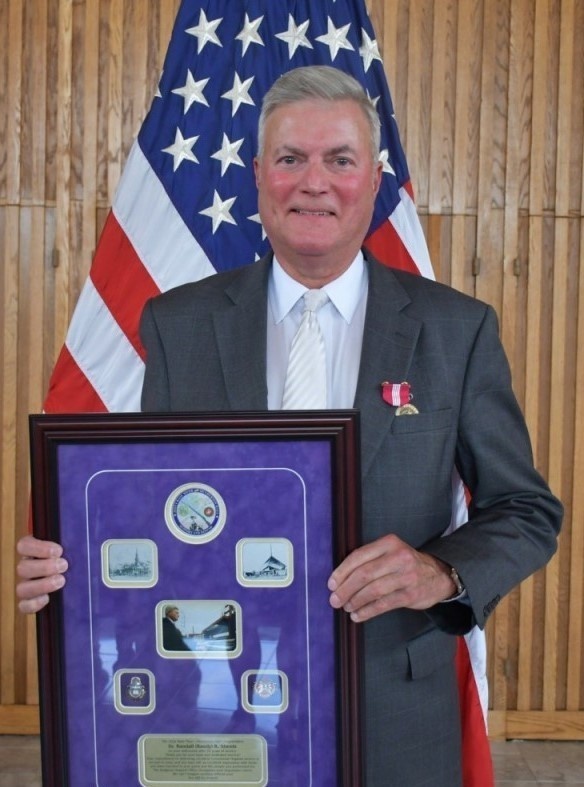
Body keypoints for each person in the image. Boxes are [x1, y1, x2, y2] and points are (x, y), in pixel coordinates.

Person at [16, 66, 562, 785]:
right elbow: (159, 510)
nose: (314, 182)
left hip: (392, 714)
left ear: (373, 180)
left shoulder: (455, 330)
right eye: (290, 159)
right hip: (214, 701)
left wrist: (442, 570)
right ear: (257, 178)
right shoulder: (178, 325)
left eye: (339, 159)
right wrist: (70, 562)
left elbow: (526, 511)